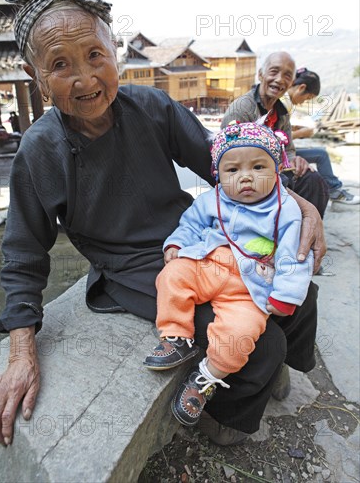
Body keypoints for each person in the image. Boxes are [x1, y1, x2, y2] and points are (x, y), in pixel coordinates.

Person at [0, 0, 325, 448]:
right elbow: (24, 252)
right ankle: (224, 417)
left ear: (115, 50)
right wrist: (20, 353)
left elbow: (220, 161)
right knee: (258, 342)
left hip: (199, 236)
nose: (85, 79)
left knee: (300, 293)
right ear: (36, 76)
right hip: (134, 266)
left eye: (94, 55)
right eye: (60, 65)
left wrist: (297, 202)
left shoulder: (150, 106)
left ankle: (283, 368)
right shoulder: (40, 150)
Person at [144, 122, 313, 427]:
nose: (245, 177)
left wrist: (286, 295)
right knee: (171, 275)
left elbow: (294, 256)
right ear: (218, 175)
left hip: (250, 286)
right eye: (232, 170)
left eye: (258, 167)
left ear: (276, 170)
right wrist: (177, 243)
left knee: (241, 335)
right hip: (208, 263)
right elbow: (191, 224)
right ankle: (176, 336)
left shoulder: (285, 209)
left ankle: (206, 377)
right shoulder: (213, 199)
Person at [221, 52, 329, 218]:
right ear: (261, 74)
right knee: (284, 186)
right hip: (249, 177)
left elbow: (289, 149)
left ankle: (307, 235)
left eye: (287, 75)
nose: (279, 79)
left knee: (313, 180)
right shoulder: (242, 109)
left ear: (291, 82)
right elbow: (231, 161)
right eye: (273, 72)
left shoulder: (282, 112)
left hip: (275, 171)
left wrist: (295, 159)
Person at [284, 68, 359, 205]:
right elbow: (273, 138)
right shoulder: (282, 103)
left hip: (287, 152)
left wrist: (294, 129)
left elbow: (282, 130)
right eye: (307, 98)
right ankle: (334, 192)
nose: (302, 103)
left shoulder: (285, 102)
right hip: (280, 156)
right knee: (320, 157)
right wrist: (301, 134)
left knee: (321, 153)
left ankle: (334, 189)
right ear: (301, 88)